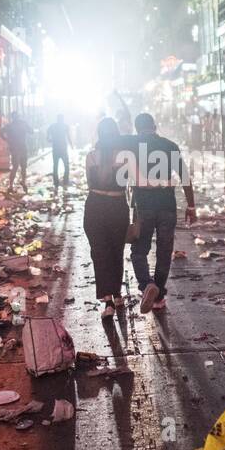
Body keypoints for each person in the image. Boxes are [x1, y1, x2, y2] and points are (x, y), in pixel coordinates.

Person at [123, 112, 196, 314]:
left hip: (142, 207)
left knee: (139, 250)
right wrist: (191, 206)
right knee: (164, 251)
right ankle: (159, 296)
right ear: (155, 126)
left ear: (137, 128)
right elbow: (185, 177)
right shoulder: (170, 145)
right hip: (166, 205)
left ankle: (147, 286)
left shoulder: (130, 144)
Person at [84, 117, 131, 319]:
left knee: (99, 253)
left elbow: (89, 183)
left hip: (95, 205)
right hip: (117, 206)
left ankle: (108, 300)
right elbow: (129, 184)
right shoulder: (124, 156)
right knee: (116, 251)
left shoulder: (91, 157)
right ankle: (118, 293)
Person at [1, 112, 31, 193]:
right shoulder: (22, 124)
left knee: (15, 167)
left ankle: (11, 185)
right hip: (22, 147)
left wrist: (7, 140)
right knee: (23, 167)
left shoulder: (10, 126)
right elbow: (31, 131)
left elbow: (1, 132)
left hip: (15, 148)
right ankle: (22, 182)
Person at [46, 114, 71, 190]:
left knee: (55, 165)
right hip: (63, 149)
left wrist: (48, 139)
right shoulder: (65, 126)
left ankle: (56, 182)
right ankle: (65, 181)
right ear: (62, 119)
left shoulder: (53, 126)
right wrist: (71, 144)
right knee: (66, 165)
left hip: (56, 148)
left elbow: (48, 133)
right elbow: (68, 136)